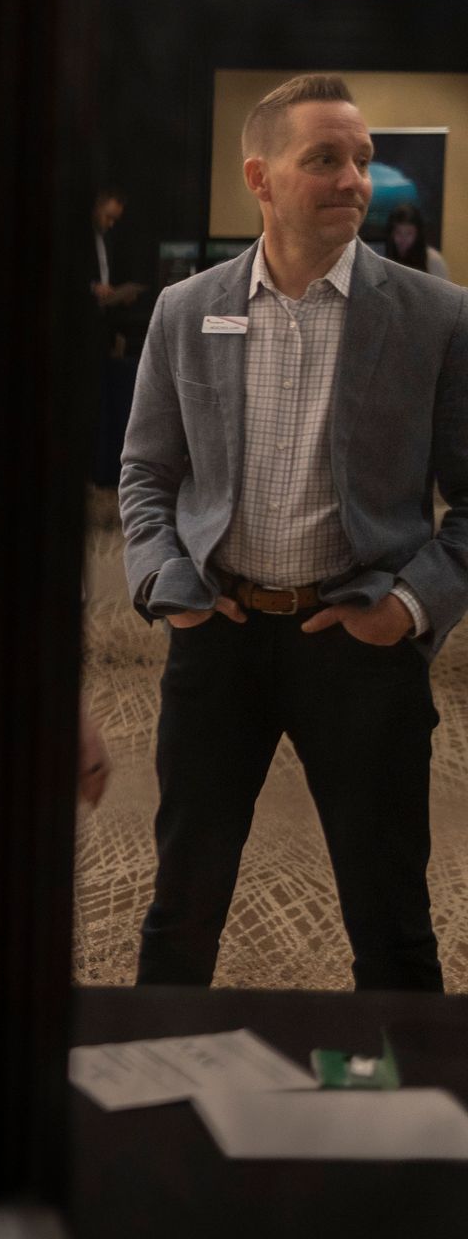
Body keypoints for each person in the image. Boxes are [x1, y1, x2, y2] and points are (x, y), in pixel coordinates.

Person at [120, 73, 468, 992]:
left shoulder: (436, 315)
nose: (353, 180)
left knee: (393, 926)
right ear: (260, 177)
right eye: (324, 160)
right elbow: (147, 474)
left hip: (361, 648)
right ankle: (157, 1081)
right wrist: (168, 585)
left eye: (362, 159)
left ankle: (405, 1090)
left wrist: (408, 608)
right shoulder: (187, 309)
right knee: (180, 912)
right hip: (218, 638)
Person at [91, 189, 143, 357]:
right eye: (108, 217)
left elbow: (107, 277)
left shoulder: (107, 239)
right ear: (97, 207)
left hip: (103, 323)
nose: (111, 224)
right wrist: (93, 287)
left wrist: (121, 295)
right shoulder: (80, 240)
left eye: (114, 219)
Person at [386, 205, 452, 282]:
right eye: (398, 232)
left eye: (409, 233)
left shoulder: (433, 260)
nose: (403, 239)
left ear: (418, 234)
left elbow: (442, 289)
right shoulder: (385, 257)